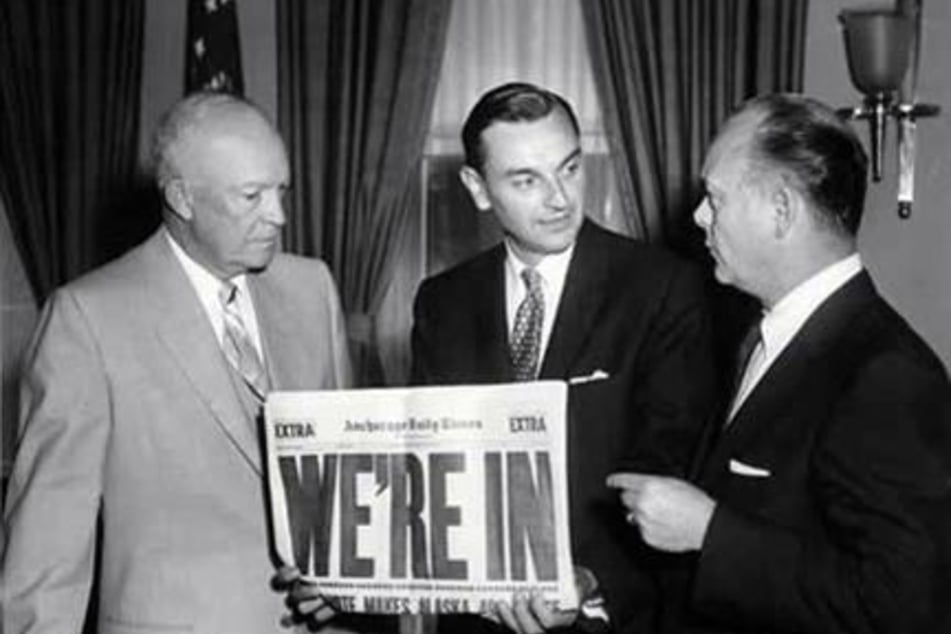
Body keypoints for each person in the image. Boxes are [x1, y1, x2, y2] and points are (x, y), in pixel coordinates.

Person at [2, 92, 352, 633]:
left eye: (282, 191)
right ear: (182, 198)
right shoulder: (87, 318)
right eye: (252, 196)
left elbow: (346, 479)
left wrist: (349, 579)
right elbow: (46, 554)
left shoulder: (313, 289)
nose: (278, 216)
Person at [609, 93, 951, 634]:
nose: (699, 216)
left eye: (715, 199)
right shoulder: (757, 339)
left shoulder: (887, 375)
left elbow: (905, 608)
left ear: (781, 210)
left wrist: (711, 532)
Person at [408, 82, 717, 633]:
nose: (559, 198)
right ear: (478, 189)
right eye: (527, 180)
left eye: (570, 169)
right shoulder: (442, 301)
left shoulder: (662, 287)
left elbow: (667, 460)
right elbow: (429, 469)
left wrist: (588, 576)